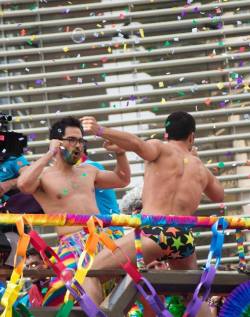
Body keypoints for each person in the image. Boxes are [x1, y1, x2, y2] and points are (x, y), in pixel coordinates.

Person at [80, 111, 224, 316]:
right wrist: (196, 161)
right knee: (193, 294)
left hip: (154, 231)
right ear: (191, 137)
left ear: (166, 134)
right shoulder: (200, 168)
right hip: (183, 238)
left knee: (92, 272)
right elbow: (219, 195)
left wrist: (101, 130)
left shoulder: (160, 149)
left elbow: (137, 144)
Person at [17, 116, 130, 305]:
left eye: (80, 140)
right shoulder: (44, 176)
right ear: (57, 142)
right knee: (73, 295)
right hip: (72, 245)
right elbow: (23, 185)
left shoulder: (88, 170)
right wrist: (49, 154)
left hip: (103, 238)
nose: (78, 145)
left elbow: (122, 179)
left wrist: (120, 154)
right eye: (71, 140)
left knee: (125, 291)